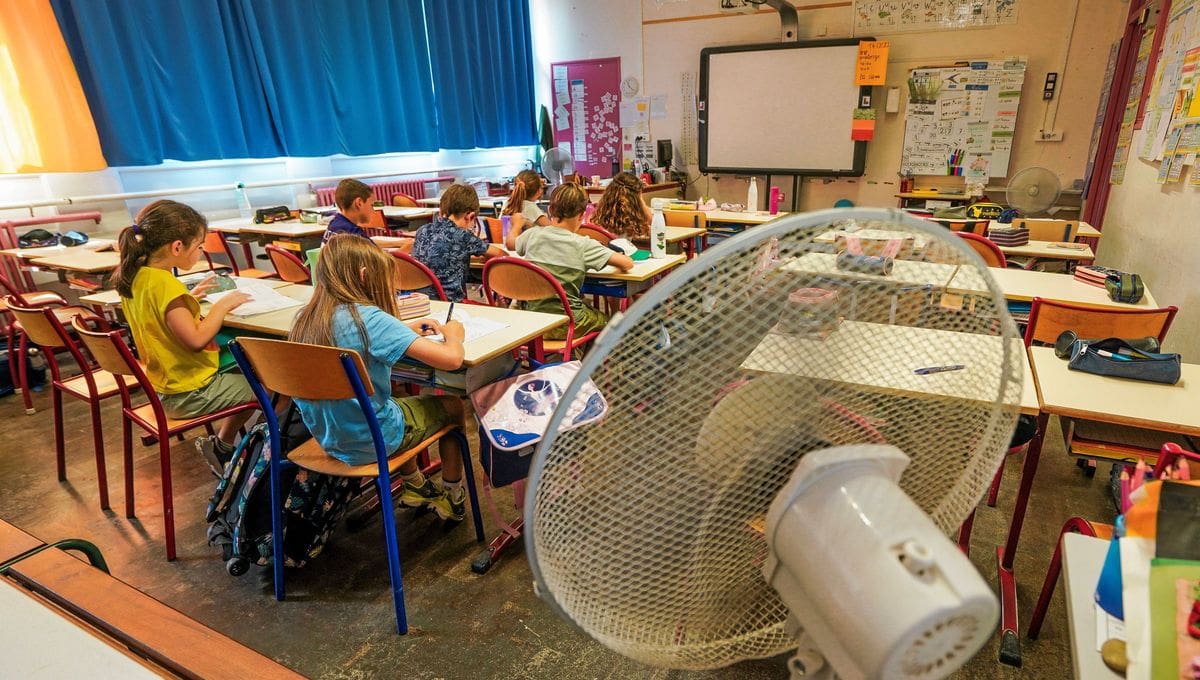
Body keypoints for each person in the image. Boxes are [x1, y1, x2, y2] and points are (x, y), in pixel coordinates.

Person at [289, 235, 471, 521]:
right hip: (374, 440)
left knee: (396, 403)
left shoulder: (306, 319)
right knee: (452, 407)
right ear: (365, 276)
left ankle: (415, 485)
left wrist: (401, 329)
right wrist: (453, 334)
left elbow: (360, 333)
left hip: (329, 438)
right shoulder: (370, 319)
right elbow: (452, 360)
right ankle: (453, 495)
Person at [116, 200, 256, 475]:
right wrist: (222, 305)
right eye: (199, 246)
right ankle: (246, 455)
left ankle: (223, 446)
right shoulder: (165, 283)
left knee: (250, 372)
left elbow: (157, 317)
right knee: (275, 387)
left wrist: (187, 299)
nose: (202, 253)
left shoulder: (138, 276)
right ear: (177, 247)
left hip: (165, 385)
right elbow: (195, 339)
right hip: (189, 392)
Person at [513, 183, 633, 340]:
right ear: (581, 216)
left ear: (549, 210)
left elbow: (512, 244)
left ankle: (573, 361)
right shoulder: (583, 244)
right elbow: (627, 263)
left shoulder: (532, 235)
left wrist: (515, 226)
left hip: (535, 321)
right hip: (569, 323)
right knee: (609, 322)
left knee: (587, 308)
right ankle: (585, 363)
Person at [411, 183, 504, 301]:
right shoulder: (463, 236)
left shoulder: (423, 230)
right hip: (449, 303)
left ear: (441, 211)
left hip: (419, 300)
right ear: (470, 216)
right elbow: (501, 255)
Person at [592, 171, 653, 240]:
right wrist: (641, 200)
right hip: (625, 250)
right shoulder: (632, 220)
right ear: (634, 198)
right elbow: (652, 221)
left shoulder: (602, 213)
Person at [322, 178, 375, 243]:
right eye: (371, 205)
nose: (373, 210)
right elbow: (372, 247)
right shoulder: (353, 233)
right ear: (359, 203)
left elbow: (368, 242)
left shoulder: (334, 223)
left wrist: (391, 243)